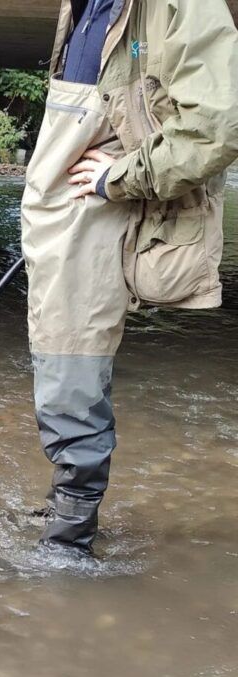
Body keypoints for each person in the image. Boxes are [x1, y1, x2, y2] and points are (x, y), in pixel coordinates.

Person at [21, 0, 238, 554]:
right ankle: (66, 509)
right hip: (59, 207)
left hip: (100, 204)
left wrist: (121, 177)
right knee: (58, 362)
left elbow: (219, 122)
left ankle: (67, 546)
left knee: (71, 366)